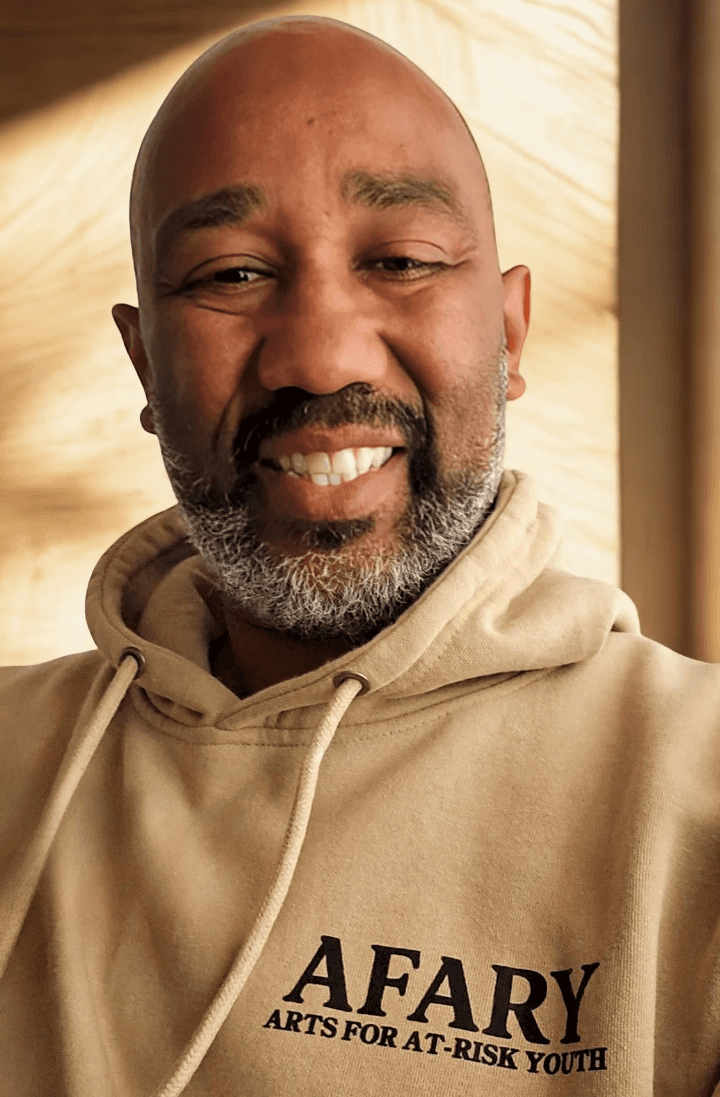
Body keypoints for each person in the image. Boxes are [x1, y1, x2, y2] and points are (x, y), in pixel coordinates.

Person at [0, 14, 718, 1097]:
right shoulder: (15, 767)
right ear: (145, 366)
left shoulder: (696, 788)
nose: (321, 354)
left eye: (401, 261)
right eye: (232, 273)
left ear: (509, 334)